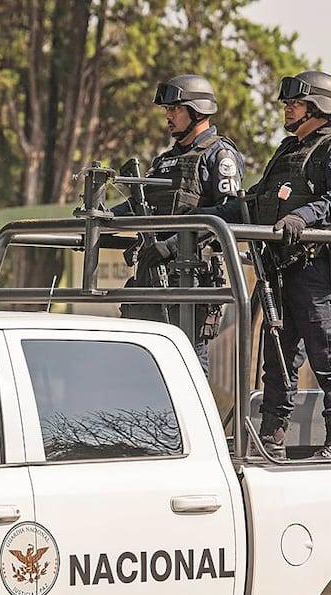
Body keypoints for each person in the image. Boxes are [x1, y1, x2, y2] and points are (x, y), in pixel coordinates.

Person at [210, 70, 331, 459]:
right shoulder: (286, 151)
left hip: (317, 270)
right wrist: (206, 219)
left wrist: (302, 218)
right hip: (280, 269)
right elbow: (257, 199)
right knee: (277, 359)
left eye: (295, 104)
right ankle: (271, 438)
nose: (287, 109)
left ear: (318, 107)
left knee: (327, 355)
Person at [113, 74, 246, 376]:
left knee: (187, 363)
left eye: (175, 109)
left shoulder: (218, 154)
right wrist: (102, 217)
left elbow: (230, 211)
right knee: (142, 365)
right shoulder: (164, 161)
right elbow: (139, 204)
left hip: (190, 276)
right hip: (150, 275)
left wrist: (172, 245)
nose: (168, 116)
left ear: (197, 111)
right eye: (167, 110)